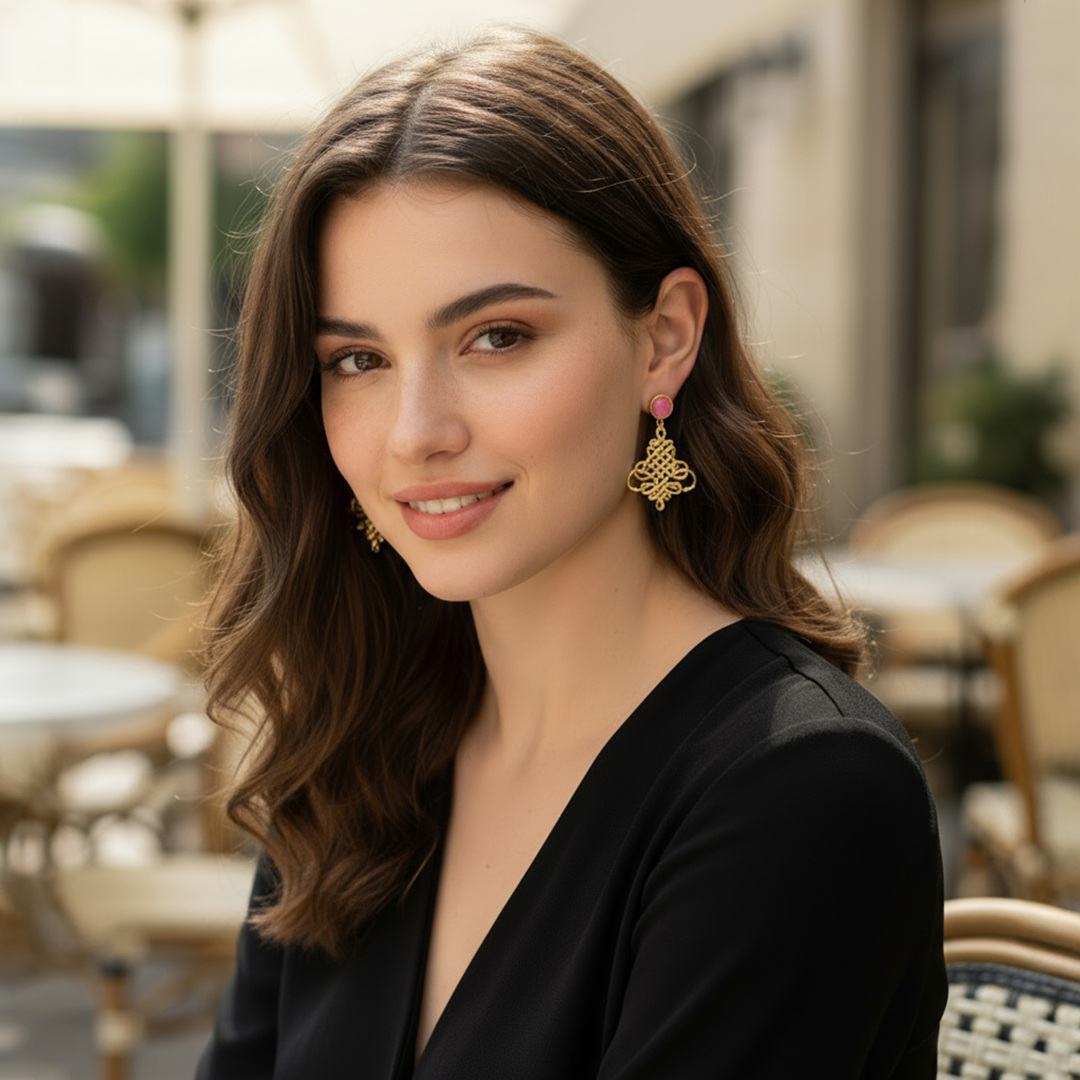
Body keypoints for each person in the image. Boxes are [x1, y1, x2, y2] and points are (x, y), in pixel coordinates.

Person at [196, 26, 946, 1079]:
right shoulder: (361, 747)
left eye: (495, 336)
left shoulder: (800, 791)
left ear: (665, 336)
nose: (416, 432)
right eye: (357, 358)